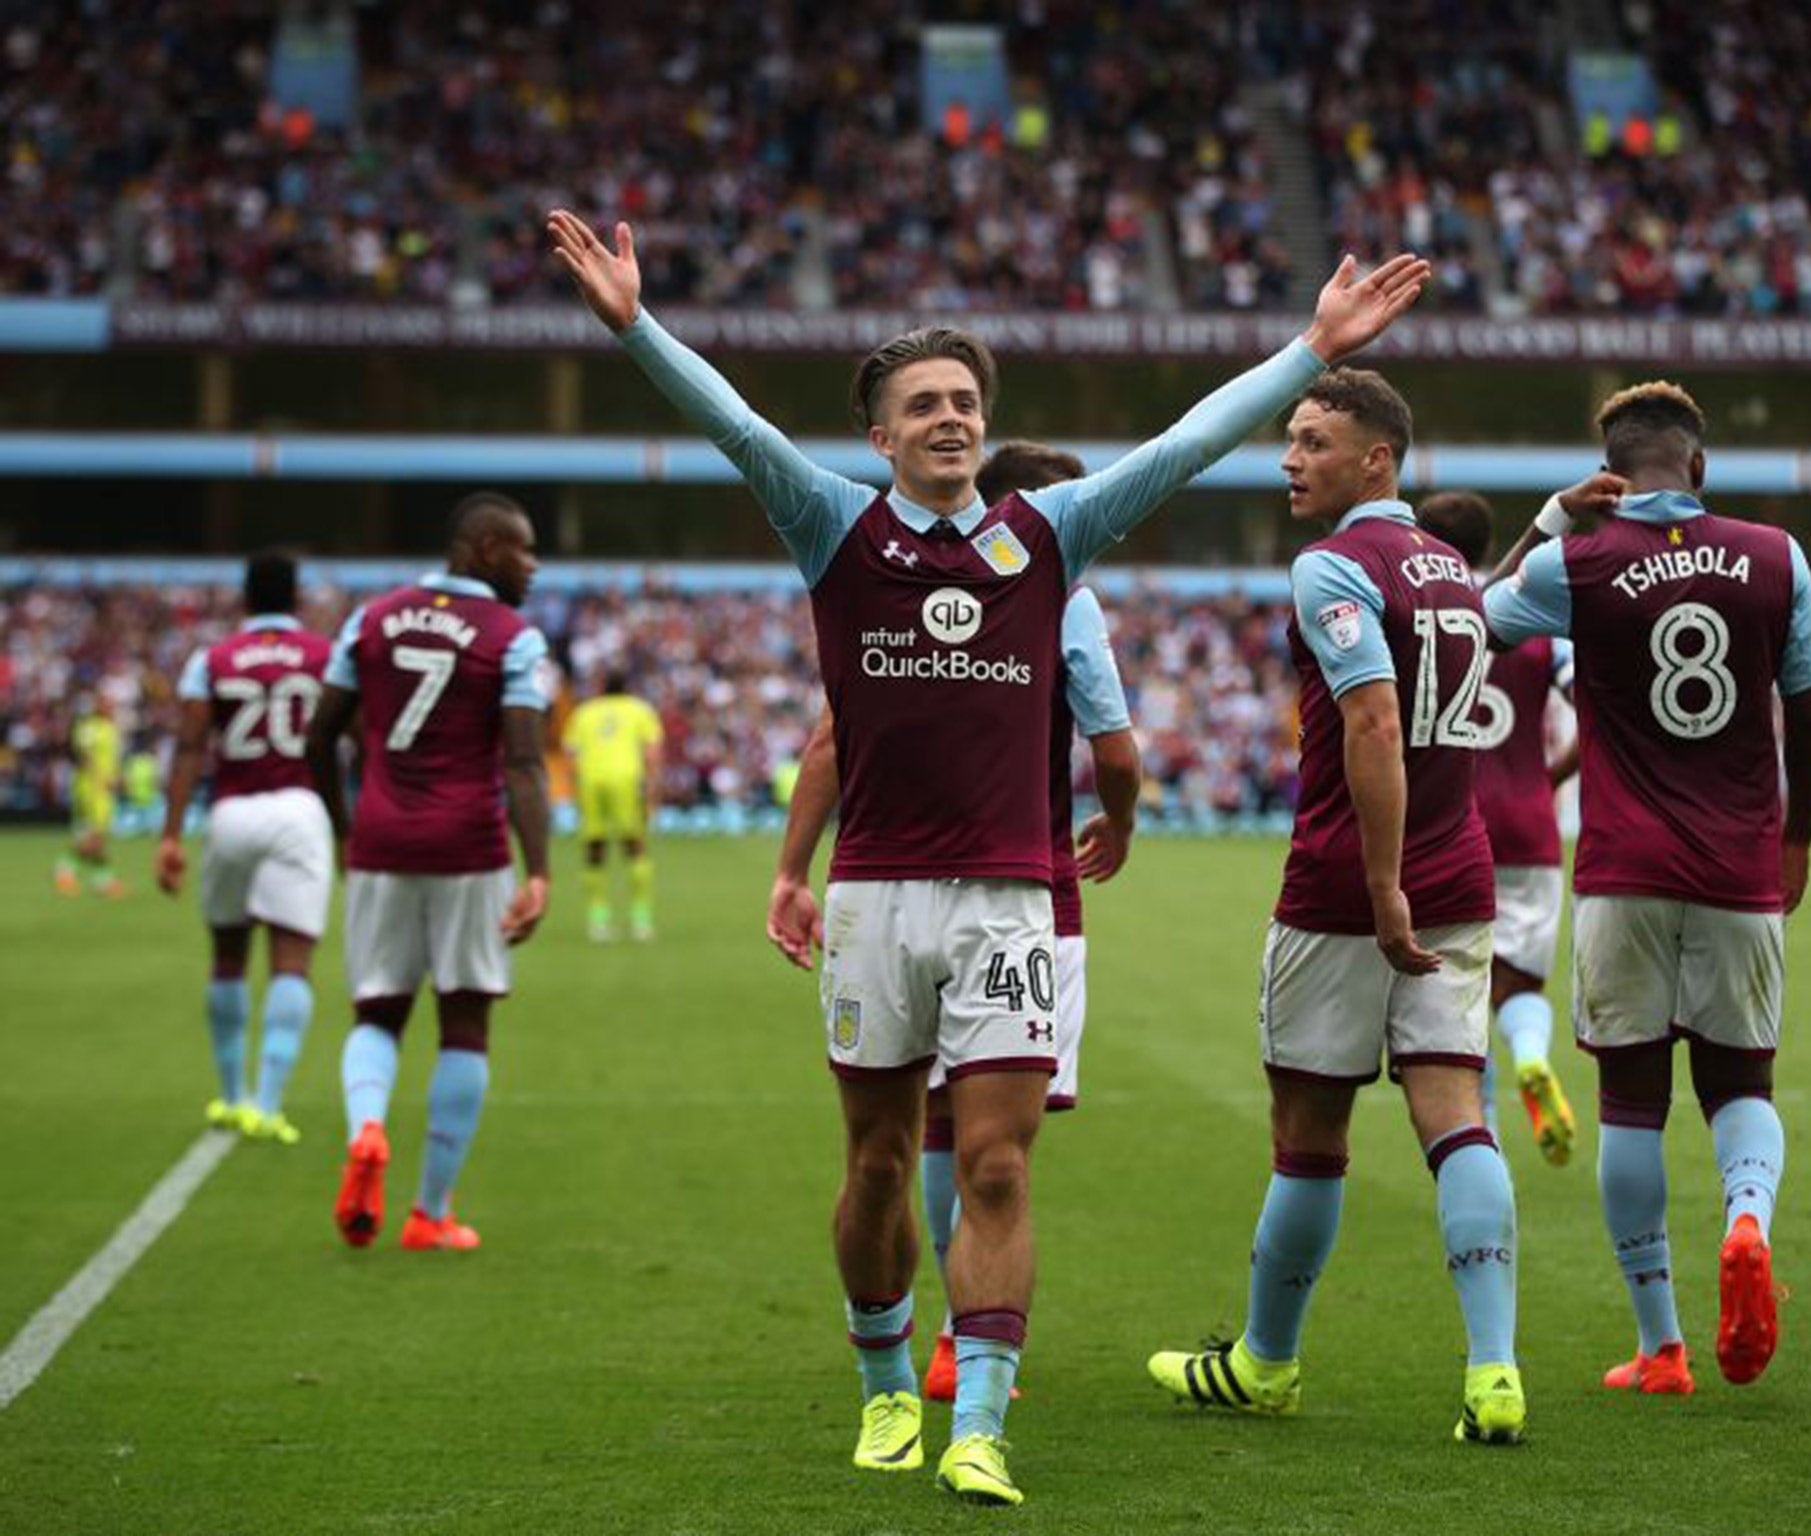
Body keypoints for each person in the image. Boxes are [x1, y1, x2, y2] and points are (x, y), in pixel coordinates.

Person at [548, 204, 1427, 1505]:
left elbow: (1186, 445)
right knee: (880, 1164)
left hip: (1015, 903)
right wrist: (637, 331)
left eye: (965, 398)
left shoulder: (1050, 532)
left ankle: (984, 1422)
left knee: (1001, 1163)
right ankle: (885, 1386)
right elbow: (737, 429)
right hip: (876, 906)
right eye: (924, 404)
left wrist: (1311, 350)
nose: (952, 417)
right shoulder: (834, 527)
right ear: (881, 435)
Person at [1145, 370, 1596, 1447]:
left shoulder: (1329, 567)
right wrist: (1549, 521)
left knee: (1308, 1133)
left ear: (1375, 461)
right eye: (1289, 440)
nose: (1289, 458)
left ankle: (1265, 1362)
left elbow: (1375, 725)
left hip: (1350, 889)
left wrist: (1380, 885)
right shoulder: (1447, 571)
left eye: (1311, 441)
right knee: (1454, 1112)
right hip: (1463, 873)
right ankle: (1493, 1373)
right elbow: (1477, 612)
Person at [764, 441, 1143, 1404]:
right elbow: (1115, 744)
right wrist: (1125, 817)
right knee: (999, 1153)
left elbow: (829, 737)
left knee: (915, 1137)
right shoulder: (1063, 586)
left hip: (887, 889)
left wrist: (789, 867)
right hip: (1027, 891)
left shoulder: (893, 590)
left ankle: (940, 1358)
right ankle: (956, 1345)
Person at [1484, 381, 1811, 1394]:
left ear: (1609, 472)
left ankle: (1660, 1346)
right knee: (1739, 1085)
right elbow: (1810, 716)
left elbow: (1467, 624)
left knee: (1630, 1104)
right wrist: (1796, 837)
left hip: (1621, 872)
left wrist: (1551, 520)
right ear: (1697, 467)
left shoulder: (1574, 563)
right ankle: (1744, 1222)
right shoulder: (1776, 557)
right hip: (1737, 869)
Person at [306, 494, 552, 1254]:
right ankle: (430, 1212)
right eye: (521, 549)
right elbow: (522, 760)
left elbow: (320, 737)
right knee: (465, 1021)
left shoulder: (369, 619)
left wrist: (347, 829)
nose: (533, 566)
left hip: (380, 841)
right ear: (480, 548)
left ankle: (368, 1128)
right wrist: (537, 869)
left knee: (377, 1011)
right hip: (469, 849)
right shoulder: (512, 637)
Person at [1416, 492, 1579, 1165]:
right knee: (1520, 986)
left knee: (1459, 992)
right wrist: (1549, 777)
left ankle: (1478, 1132)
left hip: (1450, 822)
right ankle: (1533, 1057)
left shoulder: (1424, 624)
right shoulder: (1540, 631)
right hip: (1529, 825)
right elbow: (1599, 718)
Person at [156, 551, 334, 1143]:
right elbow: (352, 739)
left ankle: (231, 1095)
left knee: (228, 955)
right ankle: (269, 1101)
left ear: (244, 599)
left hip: (232, 811)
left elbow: (188, 747)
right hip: (298, 809)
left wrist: (171, 836)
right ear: (297, 600)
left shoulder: (213, 659)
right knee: (292, 961)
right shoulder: (323, 656)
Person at [563, 668, 664, 942]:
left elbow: (570, 755)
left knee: (594, 847)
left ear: (602, 685)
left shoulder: (584, 712)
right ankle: (641, 920)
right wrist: (653, 790)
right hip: (627, 780)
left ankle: (598, 920)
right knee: (635, 845)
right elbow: (652, 752)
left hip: (591, 780)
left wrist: (576, 791)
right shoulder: (640, 709)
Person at [56, 689, 125, 898]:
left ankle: (102, 881)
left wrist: (117, 777)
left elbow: (110, 759)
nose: (112, 707)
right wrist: (103, 779)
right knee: (96, 837)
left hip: (104, 789)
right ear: (97, 705)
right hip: (91, 789)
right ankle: (64, 870)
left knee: (99, 838)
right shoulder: (88, 727)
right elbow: (85, 757)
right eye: (107, 703)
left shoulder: (110, 728)